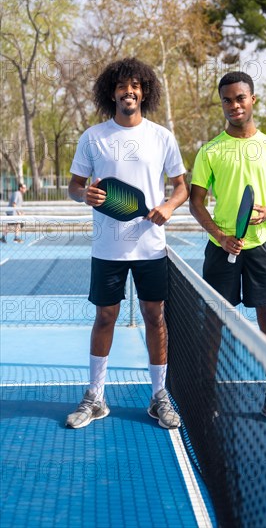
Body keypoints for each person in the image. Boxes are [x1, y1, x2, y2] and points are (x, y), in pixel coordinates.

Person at [66, 58, 189, 430]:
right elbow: (74, 185)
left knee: (155, 318)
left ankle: (159, 397)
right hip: (107, 249)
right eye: (122, 86)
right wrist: (82, 195)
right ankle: (95, 397)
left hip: (151, 247)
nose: (129, 91)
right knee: (105, 317)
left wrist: (168, 206)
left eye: (135, 86)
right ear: (112, 93)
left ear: (144, 92)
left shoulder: (162, 137)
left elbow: (182, 186)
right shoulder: (93, 136)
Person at [189, 71, 266, 427]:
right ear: (221, 103)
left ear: (253, 100)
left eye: (240, 98)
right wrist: (221, 237)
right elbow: (196, 203)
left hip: (262, 247)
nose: (234, 105)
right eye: (227, 100)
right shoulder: (210, 150)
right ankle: (207, 399)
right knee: (214, 325)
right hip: (221, 250)